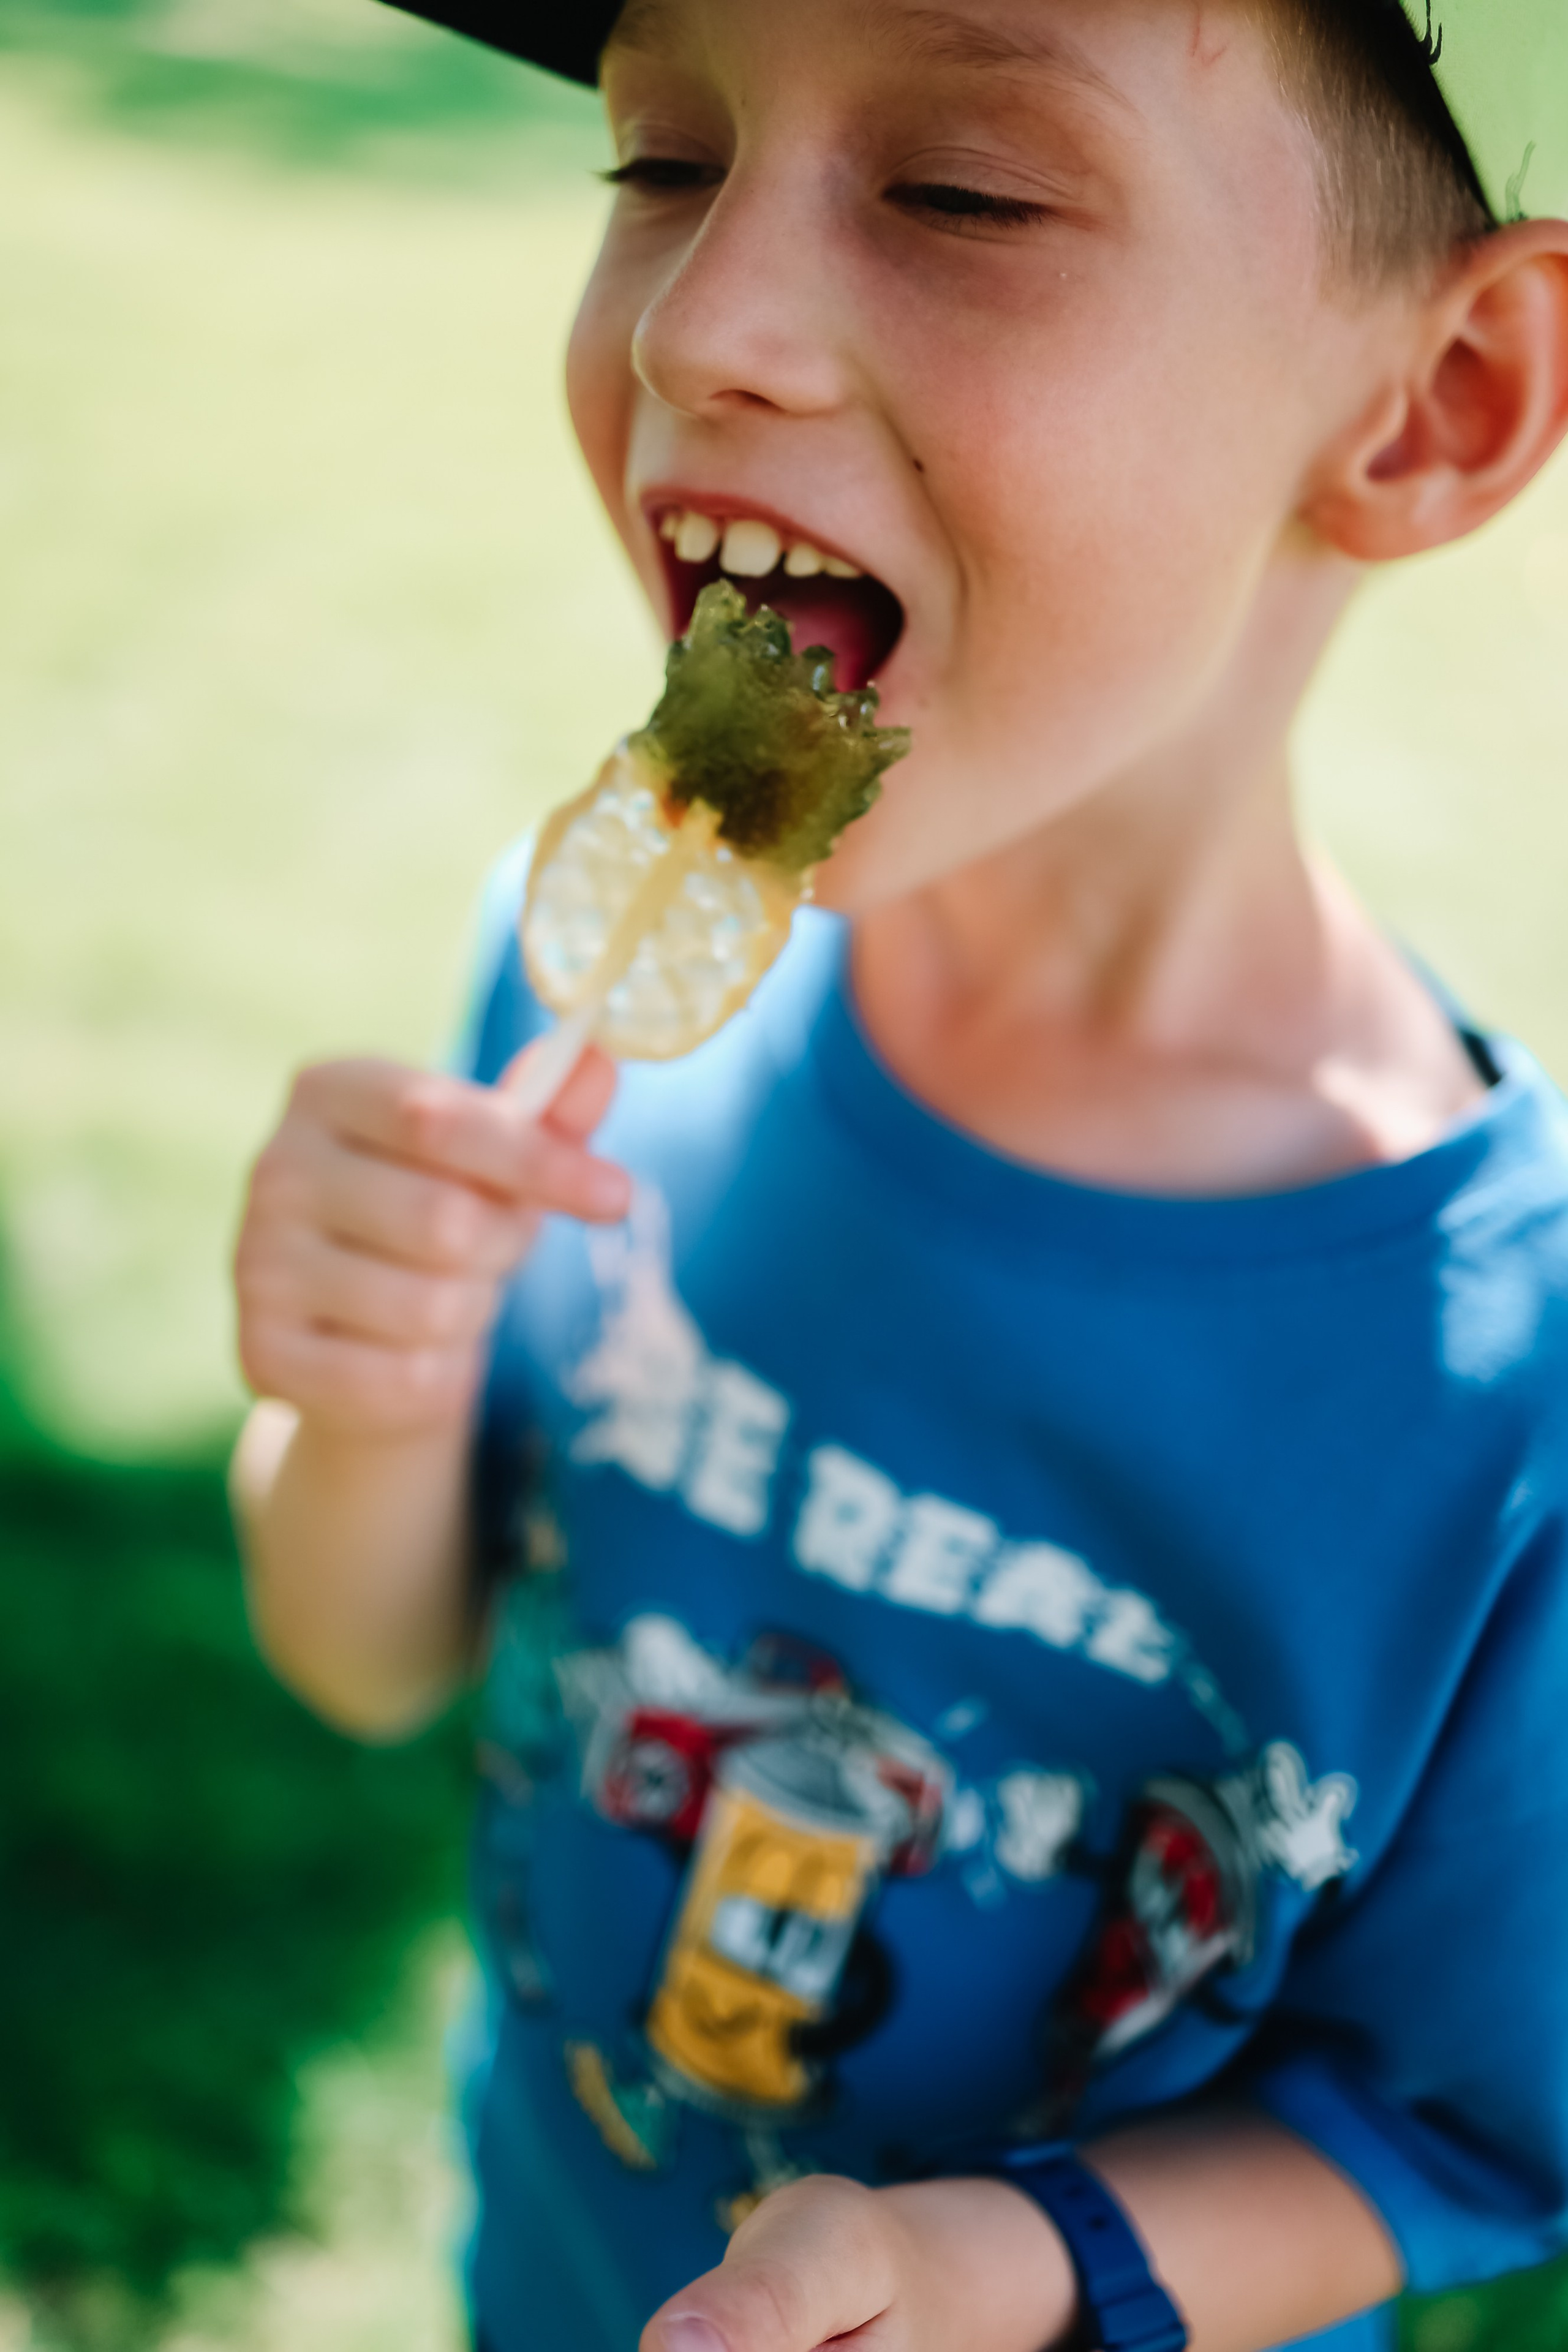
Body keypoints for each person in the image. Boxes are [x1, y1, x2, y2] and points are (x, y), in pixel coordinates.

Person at [229, 1, 1568, 2346]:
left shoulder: (1504, 1393)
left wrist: (1007, 2261)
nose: (701, 318)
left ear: (1429, 407)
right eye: (661, 161)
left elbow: (1464, 2126)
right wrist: (362, 1396)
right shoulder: (584, 1026)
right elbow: (373, 1657)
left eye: (964, 192)